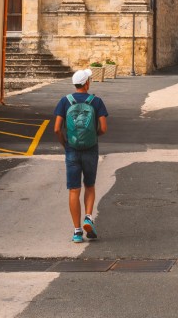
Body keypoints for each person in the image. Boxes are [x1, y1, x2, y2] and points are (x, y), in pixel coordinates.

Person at [54, 68, 108, 243]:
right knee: (90, 186)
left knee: (74, 190)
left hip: (72, 148)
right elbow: (104, 128)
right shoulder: (96, 101)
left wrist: (66, 143)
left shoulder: (65, 101)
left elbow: (56, 128)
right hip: (91, 148)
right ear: (86, 83)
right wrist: (93, 135)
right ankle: (88, 217)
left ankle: (77, 232)